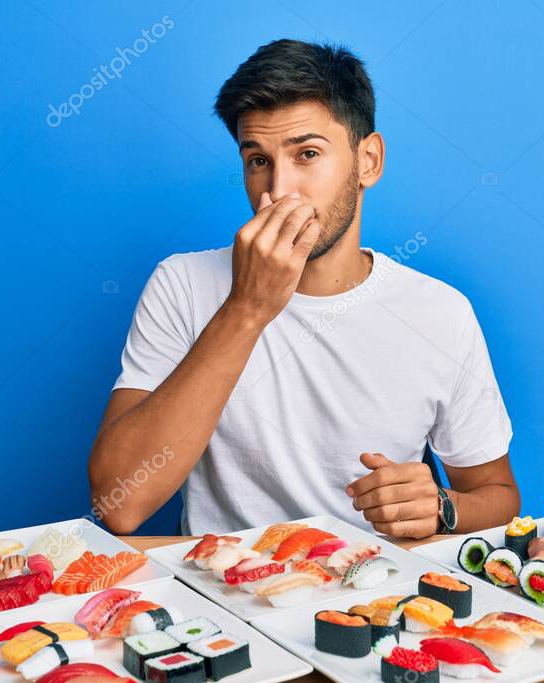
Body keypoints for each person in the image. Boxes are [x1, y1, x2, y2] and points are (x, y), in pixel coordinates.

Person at [89, 39, 519, 538]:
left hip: (373, 596)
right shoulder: (183, 284)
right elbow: (118, 503)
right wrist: (247, 308)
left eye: (307, 153)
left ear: (369, 162)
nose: (279, 190)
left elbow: (500, 496)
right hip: (222, 594)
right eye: (257, 160)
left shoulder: (440, 312)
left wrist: (443, 507)